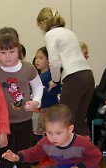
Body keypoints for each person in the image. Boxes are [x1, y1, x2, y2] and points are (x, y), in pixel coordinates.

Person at [0, 27, 43, 168]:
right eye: (3, 53)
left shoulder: (28, 68)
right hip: (3, 126)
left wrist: (35, 102)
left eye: (11, 51)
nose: (8, 56)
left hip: (24, 121)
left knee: (24, 156)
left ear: (18, 49)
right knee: (4, 157)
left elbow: (38, 87)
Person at [36, 7, 95, 137]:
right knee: (79, 121)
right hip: (88, 76)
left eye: (39, 26)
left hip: (74, 78)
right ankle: (90, 155)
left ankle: (66, 156)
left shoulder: (50, 34)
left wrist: (55, 80)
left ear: (42, 22)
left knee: (64, 121)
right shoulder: (69, 32)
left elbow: (54, 61)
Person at [33, 46, 60, 142]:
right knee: (38, 134)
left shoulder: (52, 75)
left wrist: (39, 91)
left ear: (49, 60)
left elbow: (53, 90)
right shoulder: (39, 76)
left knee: (47, 133)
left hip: (49, 109)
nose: (37, 61)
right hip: (41, 109)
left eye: (41, 58)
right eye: (36, 58)